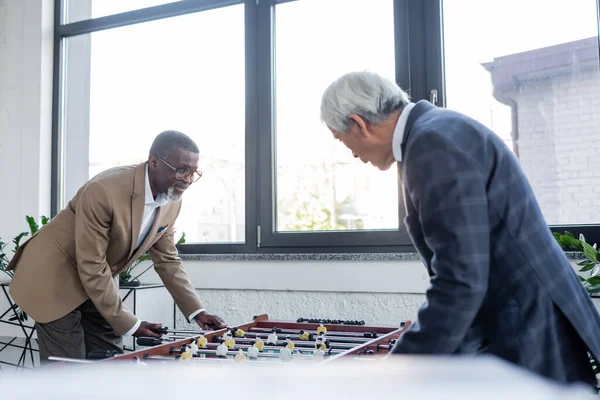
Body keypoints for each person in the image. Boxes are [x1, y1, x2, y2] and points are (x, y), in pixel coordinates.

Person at [319, 71, 600, 387]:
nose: (352, 154)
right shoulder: (438, 128)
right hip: (524, 317)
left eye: (342, 141)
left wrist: (398, 369)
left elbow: (461, 280)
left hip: (527, 327)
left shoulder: (431, 144)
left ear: (358, 124)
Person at [7, 130, 226, 362]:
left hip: (94, 281)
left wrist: (197, 312)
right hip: (53, 276)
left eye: (193, 173)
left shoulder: (172, 201)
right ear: (154, 162)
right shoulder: (104, 190)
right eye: (182, 170)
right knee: (67, 368)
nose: (188, 180)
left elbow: (168, 260)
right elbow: (91, 263)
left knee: (109, 358)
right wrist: (132, 324)